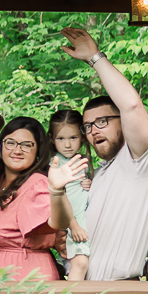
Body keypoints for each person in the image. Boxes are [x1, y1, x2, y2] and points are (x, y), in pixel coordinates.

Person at [51, 29, 148, 282]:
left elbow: (132, 105)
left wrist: (95, 57)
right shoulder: (99, 174)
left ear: (123, 122)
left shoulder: (142, 160)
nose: (93, 131)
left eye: (102, 121)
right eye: (88, 126)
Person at [0, 118, 60, 282]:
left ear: (38, 151)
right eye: (10, 143)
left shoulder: (36, 183)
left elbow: (50, 225)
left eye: (26, 145)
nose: (17, 150)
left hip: (26, 277)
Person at [47, 109, 92, 279]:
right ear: (52, 139)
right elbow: (59, 194)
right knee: (80, 263)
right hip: (71, 221)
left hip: (80, 219)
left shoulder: (81, 160)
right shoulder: (55, 164)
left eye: (72, 138)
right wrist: (73, 225)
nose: (67, 145)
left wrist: (89, 184)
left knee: (80, 264)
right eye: (61, 138)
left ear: (81, 136)